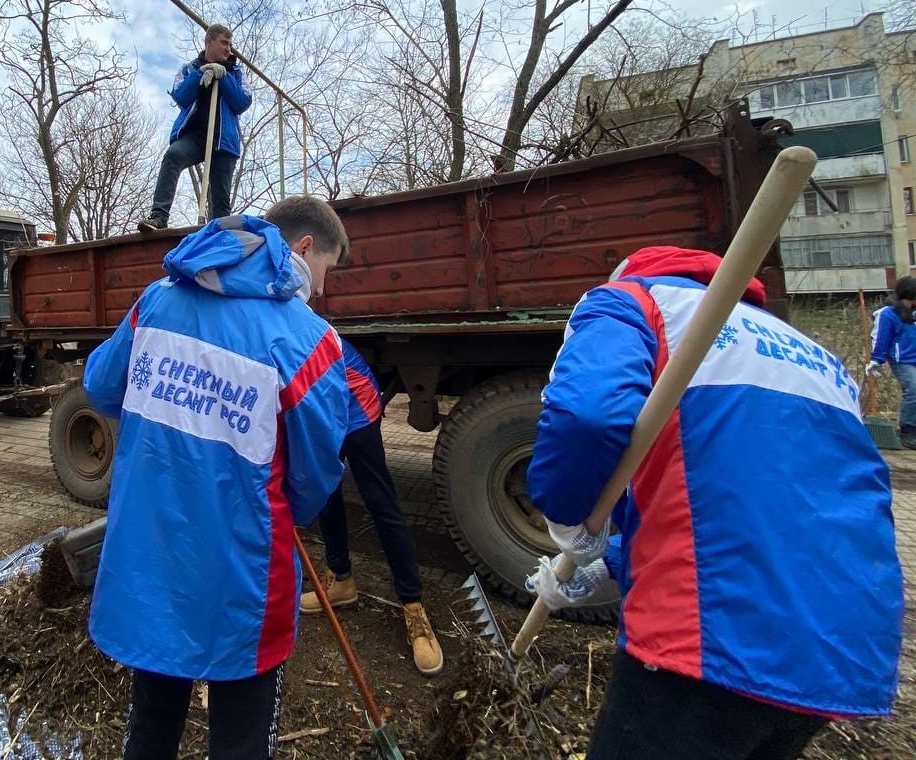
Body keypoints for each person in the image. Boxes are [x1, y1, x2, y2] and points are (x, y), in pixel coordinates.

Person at [524, 245, 903, 760]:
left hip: (714, 634)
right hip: (845, 642)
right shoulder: (813, 353)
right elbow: (757, 492)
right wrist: (607, 565)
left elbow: (586, 416)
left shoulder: (633, 300)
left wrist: (568, 514)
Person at [84, 195, 351, 760]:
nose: (323, 289)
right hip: (244, 575)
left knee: (152, 719)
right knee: (242, 737)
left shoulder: (157, 300)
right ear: (302, 248)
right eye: (326, 270)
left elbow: (104, 387)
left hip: (152, 559)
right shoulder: (311, 341)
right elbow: (315, 475)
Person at [298, 335, 443, 675]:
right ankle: (341, 581)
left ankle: (412, 607)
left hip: (353, 403)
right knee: (326, 494)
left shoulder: (280, 318)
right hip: (317, 411)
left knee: (381, 504)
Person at [139, 24, 252, 232]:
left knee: (220, 200)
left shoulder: (235, 72)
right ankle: (159, 217)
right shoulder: (189, 69)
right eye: (224, 43)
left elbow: (242, 102)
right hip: (195, 137)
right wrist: (200, 74)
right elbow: (181, 96)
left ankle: (219, 237)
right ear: (209, 41)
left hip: (223, 141)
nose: (229, 49)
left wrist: (223, 76)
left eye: (230, 45)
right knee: (173, 156)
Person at [867, 274, 916, 444]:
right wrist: (876, 359)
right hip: (902, 360)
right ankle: (908, 430)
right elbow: (882, 338)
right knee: (913, 390)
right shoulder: (889, 314)